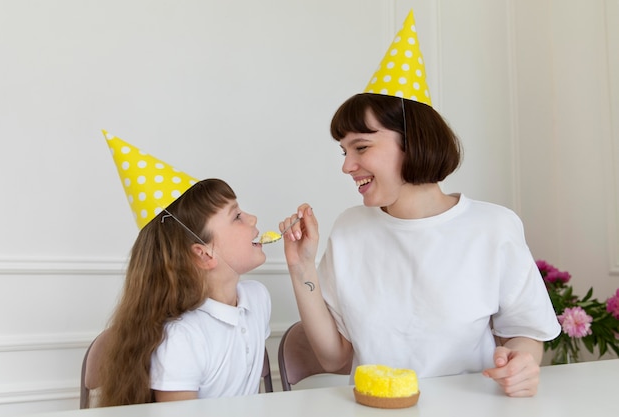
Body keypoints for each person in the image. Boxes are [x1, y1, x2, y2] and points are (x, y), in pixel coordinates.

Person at [281, 92, 560, 397]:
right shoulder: (350, 228)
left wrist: (520, 363)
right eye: (344, 151)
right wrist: (301, 267)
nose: (347, 166)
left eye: (360, 147)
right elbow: (335, 358)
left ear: (413, 142)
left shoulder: (493, 226)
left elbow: (524, 333)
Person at [99, 134, 271, 406]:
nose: (252, 218)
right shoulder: (183, 339)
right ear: (204, 254)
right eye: (236, 216)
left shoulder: (257, 299)